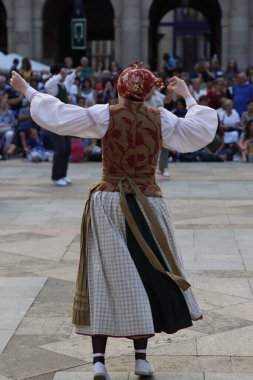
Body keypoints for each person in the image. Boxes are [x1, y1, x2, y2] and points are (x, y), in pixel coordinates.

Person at [10, 65, 217, 380]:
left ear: (120, 89)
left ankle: (98, 362)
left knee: (103, 276)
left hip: (108, 201)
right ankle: (141, 360)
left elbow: (61, 116)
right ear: (149, 92)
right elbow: (198, 132)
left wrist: (29, 92)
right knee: (147, 274)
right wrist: (187, 95)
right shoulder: (161, 117)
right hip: (148, 203)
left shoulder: (105, 114)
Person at [44, 64, 82, 186]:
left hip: (64, 121)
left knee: (67, 149)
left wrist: (74, 73)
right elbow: (47, 85)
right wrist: (59, 75)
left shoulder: (61, 86)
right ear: (56, 73)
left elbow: (69, 81)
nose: (64, 73)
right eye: (62, 71)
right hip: (54, 122)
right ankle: (56, 176)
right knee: (60, 149)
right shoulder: (52, 87)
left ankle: (63, 175)